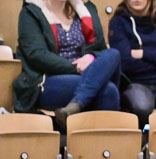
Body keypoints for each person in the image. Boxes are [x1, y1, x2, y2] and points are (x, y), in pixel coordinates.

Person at [14, 0, 122, 130]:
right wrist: (77, 68)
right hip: (49, 79)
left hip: (87, 74)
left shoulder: (86, 9)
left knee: (113, 54)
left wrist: (91, 56)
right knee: (108, 90)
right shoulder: (31, 12)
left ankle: (76, 105)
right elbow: (36, 55)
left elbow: (100, 49)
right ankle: (95, 139)